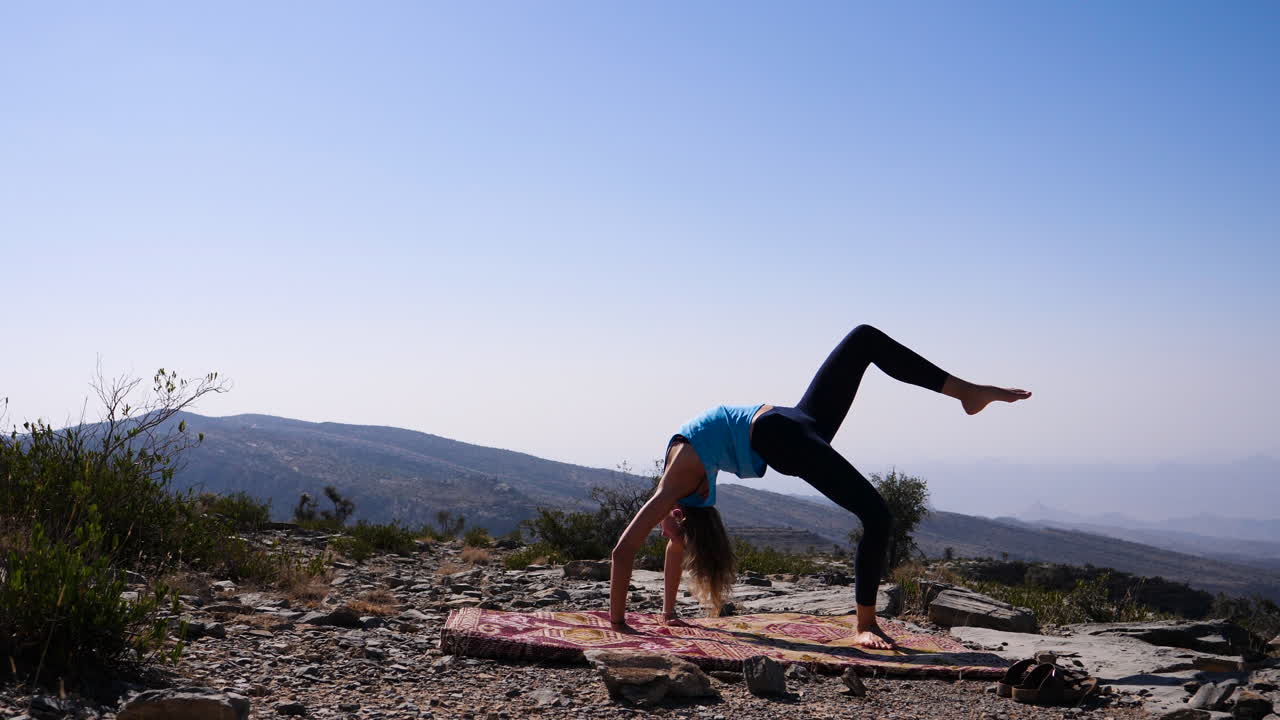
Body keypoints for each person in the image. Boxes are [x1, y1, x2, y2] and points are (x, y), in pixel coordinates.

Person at [608, 324, 1031, 649]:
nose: (663, 534)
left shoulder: (675, 486)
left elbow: (622, 551)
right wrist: (666, 614)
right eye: (670, 531)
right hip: (787, 429)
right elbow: (674, 544)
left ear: (675, 514)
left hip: (790, 427)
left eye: (666, 529)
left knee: (863, 338)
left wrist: (618, 624)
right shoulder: (690, 489)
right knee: (878, 517)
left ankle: (966, 392)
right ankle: (866, 624)